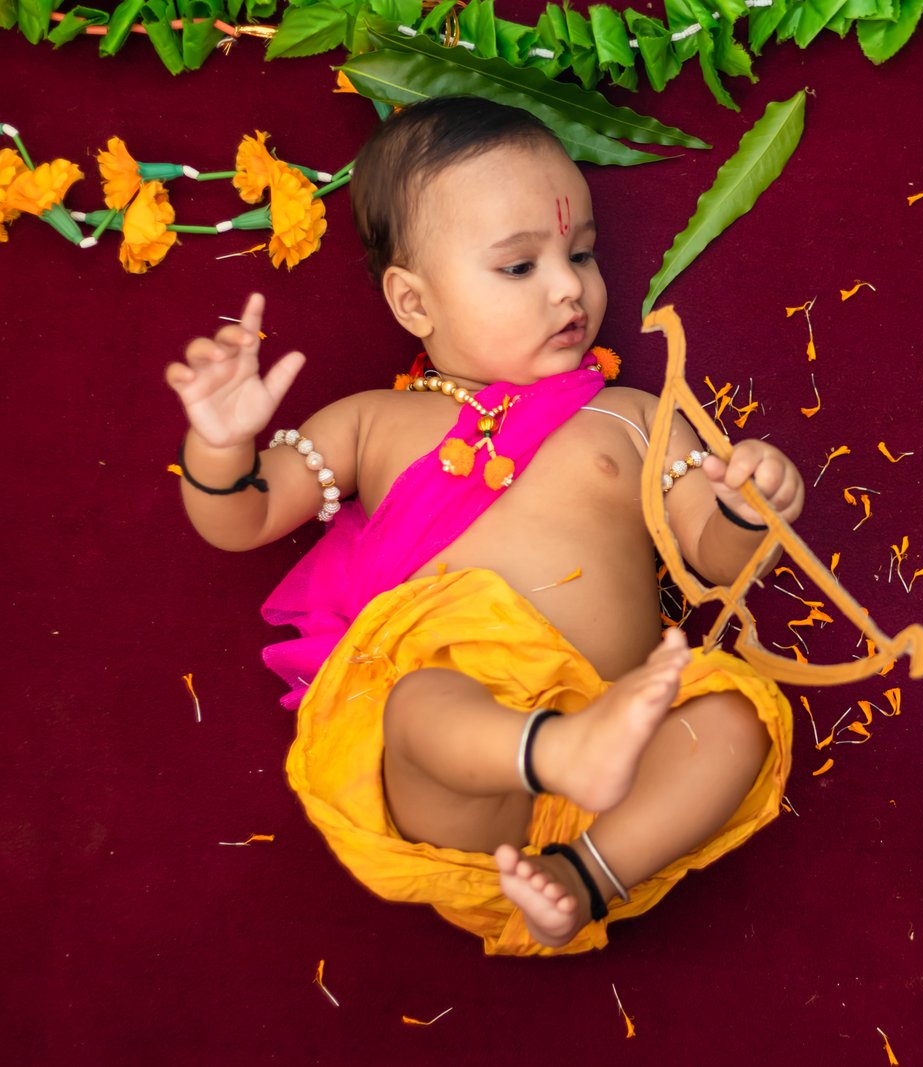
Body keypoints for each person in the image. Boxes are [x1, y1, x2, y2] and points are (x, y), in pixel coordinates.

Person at [164, 96, 800, 955]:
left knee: (737, 718)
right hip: (467, 781)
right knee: (419, 700)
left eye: (581, 254)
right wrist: (220, 444)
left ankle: (583, 879)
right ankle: (553, 748)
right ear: (413, 302)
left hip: (621, 761)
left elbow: (715, 560)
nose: (569, 286)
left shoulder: (630, 415)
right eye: (519, 265)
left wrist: (743, 509)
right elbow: (242, 515)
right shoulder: (374, 423)